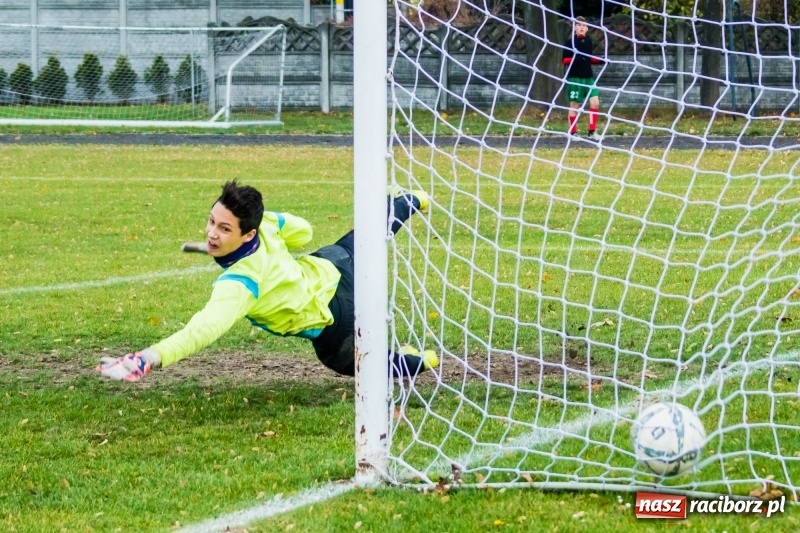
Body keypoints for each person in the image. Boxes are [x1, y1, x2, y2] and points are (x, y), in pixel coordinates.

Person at [97, 180, 438, 382]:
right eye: (212, 222)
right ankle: (411, 200)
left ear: (248, 234)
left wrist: (148, 357)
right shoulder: (267, 227)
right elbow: (304, 231)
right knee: (364, 236)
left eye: (224, 228)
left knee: (357, 366)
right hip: (330, 265)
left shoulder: (241, 283)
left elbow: (202, 329)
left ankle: (422, 359)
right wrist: (267, 224)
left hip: (336, 322)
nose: (212, 233)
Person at [562, 16, 604, 141]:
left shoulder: (588, 42)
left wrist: (599, 61)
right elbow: (565, 60)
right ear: (575, 27)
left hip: (588, 78)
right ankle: (573, 132)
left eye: (584, 25)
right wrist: (577, 58)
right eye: (579, 25)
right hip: (575, 78)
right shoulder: (570, 43)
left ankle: (591, 131)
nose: (582, 27)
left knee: (595, 102)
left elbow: (588, 58)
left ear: (587, 28)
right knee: (574, 105)